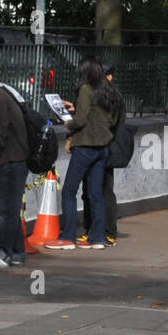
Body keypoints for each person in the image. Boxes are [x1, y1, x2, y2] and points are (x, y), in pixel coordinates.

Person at [46, 55, 118, 251]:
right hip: (102, 148)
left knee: (69, 191)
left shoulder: (86, 89)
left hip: (85, 147)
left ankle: (68, 237)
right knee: (96, 194)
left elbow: (80, 121)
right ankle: (97, 238)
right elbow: (109, 120)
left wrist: (68, 121)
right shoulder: (107, 91)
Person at [81, 64, 123, 247]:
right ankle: (91, 229)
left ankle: (109, 232)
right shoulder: (98, 94)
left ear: (109, 77)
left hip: (107, 147)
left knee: (104, 190)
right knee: (89, 190)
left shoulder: (113, 96)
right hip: (94, 145)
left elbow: (109, 122)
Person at [0, 81, 29, 269]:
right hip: (17, 158)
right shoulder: (2, 92)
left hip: (10, 159)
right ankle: (17, 252)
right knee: (12, 209)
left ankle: (3, 251)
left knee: (6, 209)